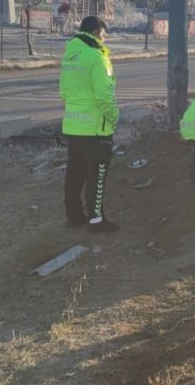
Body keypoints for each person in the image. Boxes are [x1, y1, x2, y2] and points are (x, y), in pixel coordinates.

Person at [60, 16, 119, 233]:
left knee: (75, 173)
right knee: (97, 174)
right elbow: (104, 96)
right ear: (95, 32)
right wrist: (114, 117)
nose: (104, 41)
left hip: (74, 126)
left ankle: (74, 215)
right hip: (96, 128)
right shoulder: (97, 57)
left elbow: (64, 92)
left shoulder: (70, 56)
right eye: (103, 36)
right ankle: (97, 221)